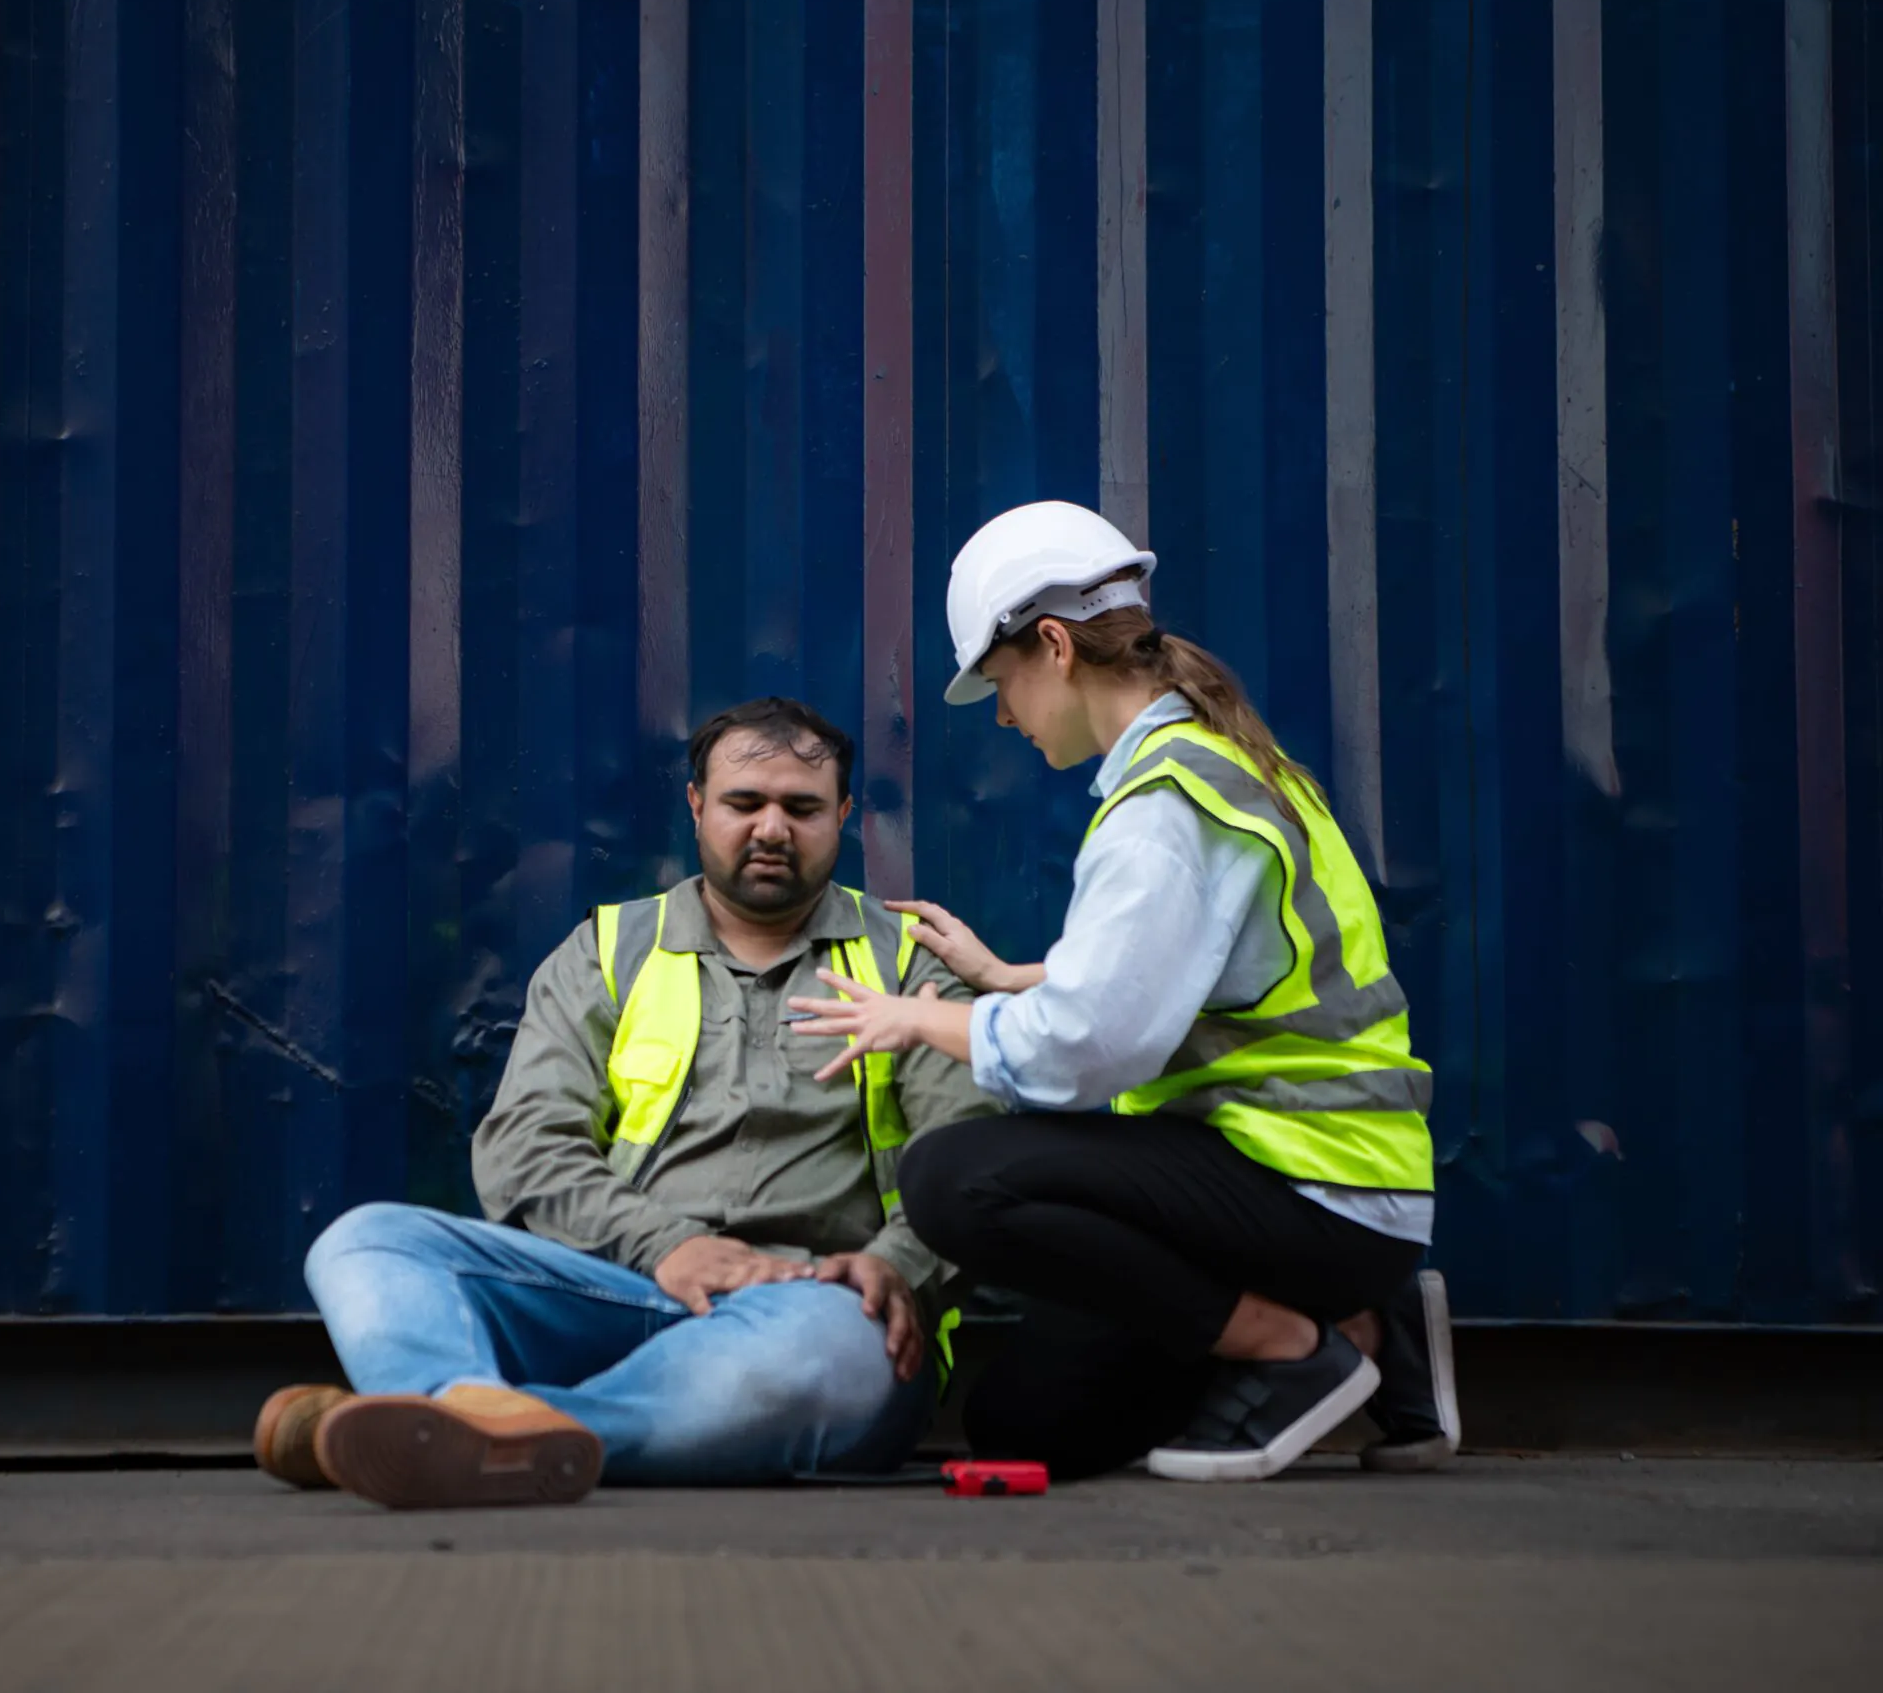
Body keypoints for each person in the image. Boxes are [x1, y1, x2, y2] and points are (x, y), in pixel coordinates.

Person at [784, 501, 1459, 1482]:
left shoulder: (1166, 806)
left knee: (949, 1177)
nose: (1006, 716)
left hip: (1314, 1188)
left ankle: (1290, 1344)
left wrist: (924, 1017)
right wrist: (1010, 978)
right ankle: (1369, 1328)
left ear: (1052, 644)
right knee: (1029, 1420)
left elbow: (1090, 1049)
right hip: (1299, 1187)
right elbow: (1199, 971)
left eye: (1002, 683)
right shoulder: (1227, 764)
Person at [253, 698, 997, 1509]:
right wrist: (665, 1245)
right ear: (697, 805)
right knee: (368, 1241)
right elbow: (525, 1146)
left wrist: (898, 1264)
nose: (773, 828)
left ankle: (453, 1428)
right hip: (621, 1288)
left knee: (828, 1358)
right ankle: (460, 1409)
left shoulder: (905, 960)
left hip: (811, 1308)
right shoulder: (609, 952)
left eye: (802, 807)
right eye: (745, 803)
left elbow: (967, 1150)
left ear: (845, 814)